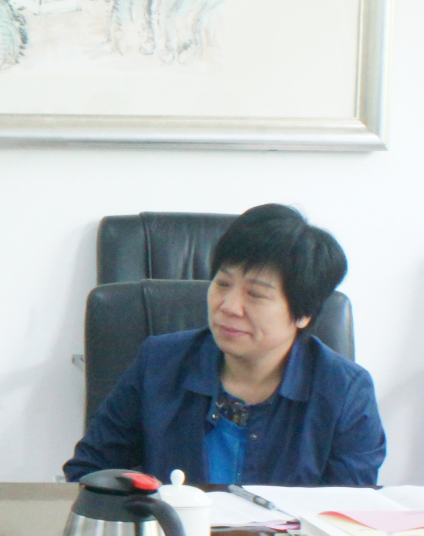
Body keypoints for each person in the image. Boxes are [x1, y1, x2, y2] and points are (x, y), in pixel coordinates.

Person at [64, 203, 385, 486]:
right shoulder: (159, 363)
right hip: (169, 535)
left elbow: (345, 512)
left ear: (303, 313)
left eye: (256, 294)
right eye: (222, 283)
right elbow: (89, 472)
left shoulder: (345, 392)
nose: (229, 306)